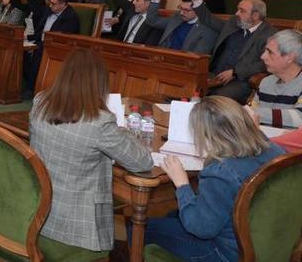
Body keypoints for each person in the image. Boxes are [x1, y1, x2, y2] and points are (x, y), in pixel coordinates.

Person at [30, 49, 152, 252]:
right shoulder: (100, 122)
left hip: (38, 214)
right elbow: (143, 162)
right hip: (78, 230)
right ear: (99, 84)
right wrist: (126, 133)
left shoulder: (40, 102)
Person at [144, 96, 285, 261]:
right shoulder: (277, 152)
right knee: (172, 216)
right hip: (275, 243)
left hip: (228, 253)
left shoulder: (221, 173)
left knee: (139, 228)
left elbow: (200, 228)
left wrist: (182, 183)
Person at [192, 0, 277, 103]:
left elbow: (265, 64)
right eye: (238, 9)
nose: (236, 13)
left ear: (255, 15)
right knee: (186, 87)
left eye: (242, 11)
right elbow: (209, 20)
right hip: (214, 74)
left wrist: (235, 72)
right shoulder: (234, 23)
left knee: (215, 100)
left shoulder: (269, 34)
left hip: (241, 81)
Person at [145, 0, 217, 55]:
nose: (182, 13)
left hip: (181, 63)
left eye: (186, 10)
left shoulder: (208, 29)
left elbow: (198, 60)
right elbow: (152, 21)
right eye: (181, 8)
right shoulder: (177, 17)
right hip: (161, 58)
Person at [252, 29, 302, 128]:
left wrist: (250, 112)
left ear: (289, 57)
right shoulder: (266, 82)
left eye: (269, 52)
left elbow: (299, 118)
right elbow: (252, 113)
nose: (263, 56)